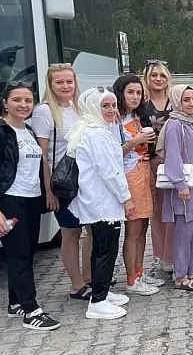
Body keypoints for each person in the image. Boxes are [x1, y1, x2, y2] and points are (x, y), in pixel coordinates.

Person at [66, 87, 136, 319]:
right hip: (103, 202)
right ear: (93, 108)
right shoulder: (95, 133)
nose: (111, 110)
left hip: (100, 201)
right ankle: (98, 302)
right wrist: (126, 198)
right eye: (105, 106)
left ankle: (101, 291)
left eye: (113, 105)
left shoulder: (95, 129)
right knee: (106, 250)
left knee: (101, 248)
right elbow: (110, 171)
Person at [0, 82, 61, 330]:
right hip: (10, 199)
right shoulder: (2, 132)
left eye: (28, 100)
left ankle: (15, 302)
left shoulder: (28, 130)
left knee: (27, 250)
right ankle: (31, 311)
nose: (23, 105)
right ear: (5, 103)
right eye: (16, 100)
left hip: (32, 198)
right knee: (19, 254)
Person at [30, 63, 93, 300]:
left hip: (85, 179)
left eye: (69, 81)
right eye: (59, 82)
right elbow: (43, 155)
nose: (65, 86)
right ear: (50, 84)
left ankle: (89, 277)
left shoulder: (79, 108)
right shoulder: (45, 111)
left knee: (92, 229)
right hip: (63, 182)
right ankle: (77, 285)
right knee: (71, 232)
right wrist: (49, 190)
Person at [155, 84, 193, 291]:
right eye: (186, 99)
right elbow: (172, 157)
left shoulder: (188, 123)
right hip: (184, 189)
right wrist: (180, 184)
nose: (191, 103)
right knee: (183, 234)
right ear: (177, 101)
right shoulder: (175, 125)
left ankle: (192, 271)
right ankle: (180, 277)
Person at [112, 74, 163, 296]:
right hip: (129, 175)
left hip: (143, 169)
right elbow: (113, 154)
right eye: (130, 92)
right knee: (133, 230)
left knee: (143, 227)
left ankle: (139, 272)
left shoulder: (134, 116)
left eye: (138, 93)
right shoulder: (114, 119)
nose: (135, 97)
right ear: (120, 93)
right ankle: (131, 279)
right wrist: (135, 141)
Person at [139, 59, 175, 275]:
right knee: (158, 211)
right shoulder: (141, 104)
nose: (158, 79)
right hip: (149, 162)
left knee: (174, 209)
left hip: (174, 161)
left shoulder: (175, 101)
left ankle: (174, 252)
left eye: (162, 75)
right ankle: (163, 255)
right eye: (154, 75)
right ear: (147, 79)